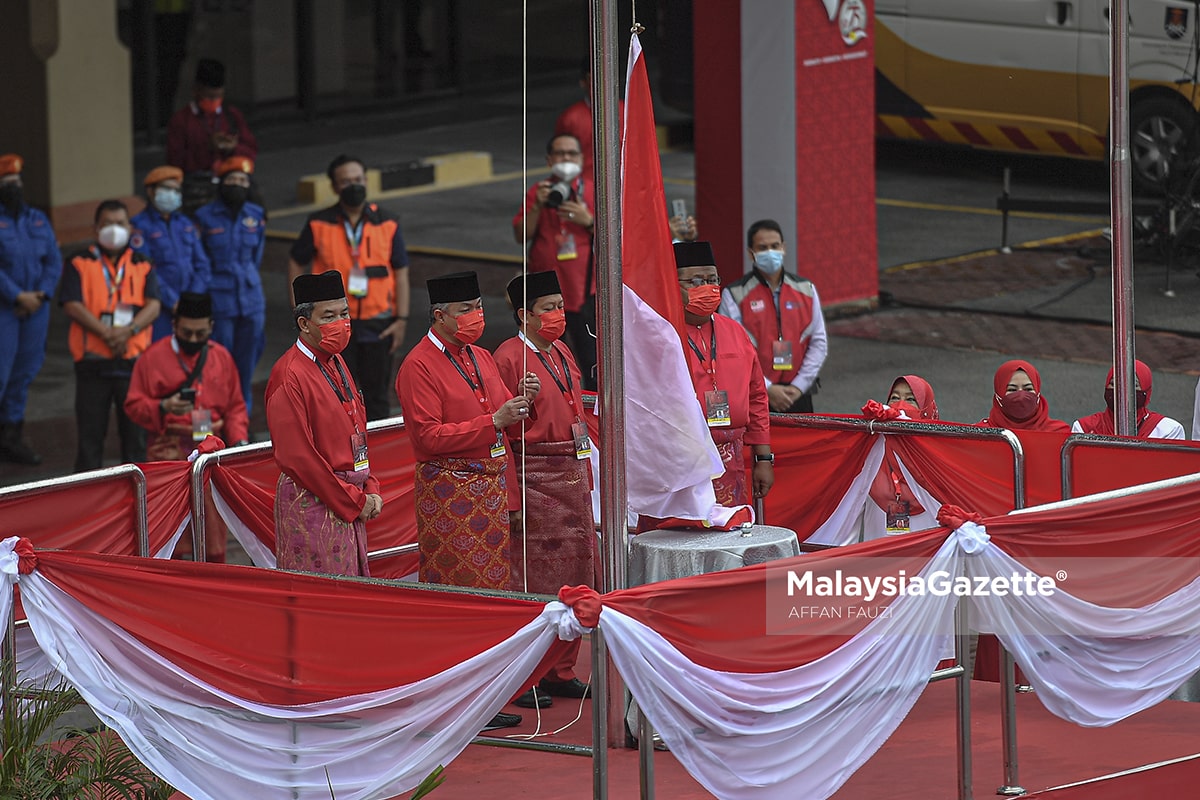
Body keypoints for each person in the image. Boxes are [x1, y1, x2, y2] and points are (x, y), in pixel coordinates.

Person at [395, 271, 538, 733]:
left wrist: (522, 405)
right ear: (439, 316)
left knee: (495, 593)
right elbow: (427, 436)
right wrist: (492, 420)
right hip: (451, 494)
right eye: (466, 310)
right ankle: (458, 696)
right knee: (460, 596)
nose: (476, 317)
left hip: (491, 490)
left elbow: (502, 424)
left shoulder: (479, 356)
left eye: (479, 306)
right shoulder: (417, 366)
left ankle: (487, 692)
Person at [494, 271, 595, 709]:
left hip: (572, 471)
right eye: (549, 308)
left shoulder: (561, 351)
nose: (559, 314)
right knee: (533, 576)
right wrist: (513, 497)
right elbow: (503, 430)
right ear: (525, 315)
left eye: (560, 305)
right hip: (533, 475)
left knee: (576, 571)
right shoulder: (508, 357)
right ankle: (527, 673)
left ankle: (561, 668)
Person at [265, 271, 381, 578]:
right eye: (329, 316)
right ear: (304, 324)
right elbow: (298, 458)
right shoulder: (289, 375)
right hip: (315, 504)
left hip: (348, 498)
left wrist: (369, 484)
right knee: (326, 597)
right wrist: (355, 500)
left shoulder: (336, 359)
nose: (341, 323)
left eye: (344, 313)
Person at [289, 154, 410, 420]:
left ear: (366, 181)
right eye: (345, 182)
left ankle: (379, 455)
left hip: (378, 323)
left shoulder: (388, 222)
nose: (353, 185)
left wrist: (401, 319)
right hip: (331, 323)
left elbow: (401, 271)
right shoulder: (317, 223)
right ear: (334, 187)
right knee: (337, 394)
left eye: (357, 179)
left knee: (377, 396)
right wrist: (300, 308)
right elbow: (296, 261)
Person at [59, 200, 162, 472]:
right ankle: (88, 504)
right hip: (93, 363)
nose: (114, 229)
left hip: (133, 364)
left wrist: (128, 331)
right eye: (107, 224)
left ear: (129, 228)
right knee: (90, 441)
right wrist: (107, 333)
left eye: (120, 223)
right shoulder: (78, 262)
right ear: (95, 229)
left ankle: (136, 505)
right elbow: (71, 303)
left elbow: (153, 305)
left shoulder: (142, 263)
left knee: (135, 442)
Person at [675, 241, 773, 506]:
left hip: (731, 456)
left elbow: (757, 397)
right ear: (673, 284)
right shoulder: (663, 335)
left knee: (729, 535)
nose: (706, 288)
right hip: (681, 457)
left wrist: (763, 457)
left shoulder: (735, 332)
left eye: (712, 279)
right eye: (694, 281)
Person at [512, 134, 597, 389]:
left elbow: (621, 237)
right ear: (549, 160)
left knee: (590, 358)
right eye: (560, 154)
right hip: (545, 296)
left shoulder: (595, 190)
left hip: (584, 293)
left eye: (572, 154)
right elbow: (520, 235)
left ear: (582, 159)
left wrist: (590, 221)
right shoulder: (538, 191)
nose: (566, 159)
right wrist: (537, 206)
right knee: (543, 356)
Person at [124, 291, 249, 460]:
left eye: (200, 334)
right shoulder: (151, 358)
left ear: (211, 327)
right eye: (186, 332)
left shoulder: (222, 357)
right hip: (167, 452)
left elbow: (235, 408)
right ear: (174, 325)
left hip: (213, 450)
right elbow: (133, 406)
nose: (192, 339)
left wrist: (239, 442)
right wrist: (163, 406)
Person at [720, 219, 827, 413]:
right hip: (756, 394)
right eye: (763, 248)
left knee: (802, 444)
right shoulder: (734, 294)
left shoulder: (806, 289)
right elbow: (735, 351)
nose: (770, 252)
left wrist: (798, 387)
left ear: (783, 248)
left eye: (775, 246)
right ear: (751, 253)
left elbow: (819, 342)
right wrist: (767, 388)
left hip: (800, 395)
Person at [0, 153, 60, 465]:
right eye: (6, 183)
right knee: (1, 375)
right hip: (5, 311)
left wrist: (41, 294)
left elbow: (53, 259)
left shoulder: (37, 218)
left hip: (36, 309)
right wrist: (16, 296)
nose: (13, 187)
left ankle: (11, 438)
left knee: (23, 375)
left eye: (16, 181)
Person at [194, 157, 266, 413]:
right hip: (219, 300)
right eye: (231, 180)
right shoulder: (204, 217)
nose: (237, 184)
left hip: (251, 299)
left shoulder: (255, 216)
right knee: (217, 364)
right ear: (221, 183)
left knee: (246, 365)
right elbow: (199, 257)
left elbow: (257, 256)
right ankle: (217, 421)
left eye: (242, 180)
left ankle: (240, 425)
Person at [130, 165, 212, 341]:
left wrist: (192, 299)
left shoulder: (185, 224)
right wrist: (173, 301)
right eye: (166, 189)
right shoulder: (139, 226)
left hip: (190, 307)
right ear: (151, 191)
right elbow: (145, 269)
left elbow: (202, 264)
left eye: (176, 190)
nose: (172, 194)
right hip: (159, 307)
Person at [867, 375, 941, 537]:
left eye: (911, 399)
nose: (901, 405)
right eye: (894, 398)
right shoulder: (871, 450)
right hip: (879, 553)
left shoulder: (942, 455)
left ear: (927, 410)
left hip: (928, 553)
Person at [166, 58, 258, 177]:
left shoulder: (231, 115)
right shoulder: (181, 120)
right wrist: (207, 147)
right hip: (197, 182)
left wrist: (233, 148)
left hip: (230, 179)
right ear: (195, 91)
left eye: (218, 96)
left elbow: (251, 150)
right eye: (209, 97)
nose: (214, 101)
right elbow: (175, 162)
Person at [1073, 361, 1185, 440]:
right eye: (1114, 383)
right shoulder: (1084, 428)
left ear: (1147, 391)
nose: (1122, 390)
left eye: (1134, 385)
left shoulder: (1168, 430)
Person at [980, 359, 1070, 432]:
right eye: (1012, 390)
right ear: (998, 395)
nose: (1021, 395)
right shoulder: (980, 435)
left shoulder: (1059, 433)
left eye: (1028, 389)